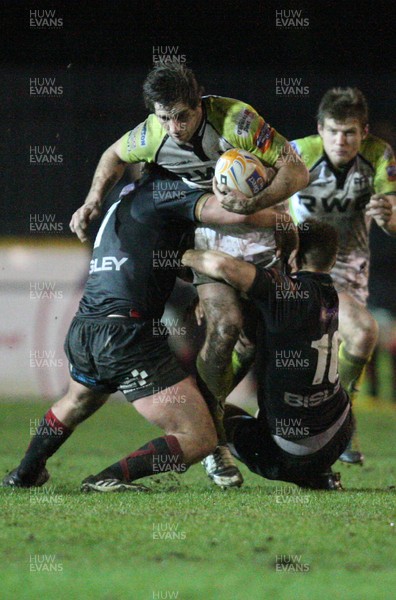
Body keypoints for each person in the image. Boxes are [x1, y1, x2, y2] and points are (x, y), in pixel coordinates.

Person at [69, 63, 309, 487]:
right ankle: (213, 445)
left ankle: (229, 427)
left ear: (199, 104)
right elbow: (113, 155)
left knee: (252, 344)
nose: (175, 127)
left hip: (259, 231)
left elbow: (296, 171)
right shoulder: (153, 133)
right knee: (226, 325)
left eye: (182, 115)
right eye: (165, 117)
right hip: (208, 237)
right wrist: (91, 201)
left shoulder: (237, 120)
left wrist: (255, 204)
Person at [2, 171, 280, 491]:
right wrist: (284, 216)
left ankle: (25, 473)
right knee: (198, 438)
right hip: (126, 335)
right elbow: (228, 212)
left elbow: (157, 259)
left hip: (87, 326)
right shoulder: (167, 190)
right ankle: (107, 479)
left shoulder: (128, 198)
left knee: (79, 399)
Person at [181, 219, 351, 490]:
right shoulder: (330, 294)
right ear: (331, 261)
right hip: (340, 436)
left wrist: (182, 254)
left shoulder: (288, 294)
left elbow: (222, 265)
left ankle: (298, 469)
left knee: (201, 413)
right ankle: (319, 470)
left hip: (288, 455)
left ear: (293, 255)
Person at [286, 88, 396, 463]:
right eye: (333, 131)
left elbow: (394, 220)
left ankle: (334, 427)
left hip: (349, 272)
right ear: (320, 128)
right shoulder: (298, 153)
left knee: (343, 347)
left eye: (349, 132)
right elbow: (268, 201)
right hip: (301, 266)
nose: (340, 140)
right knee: (359, 334)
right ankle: (219, 427)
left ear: (364, 131)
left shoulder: (380, 156)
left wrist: (388, 218)